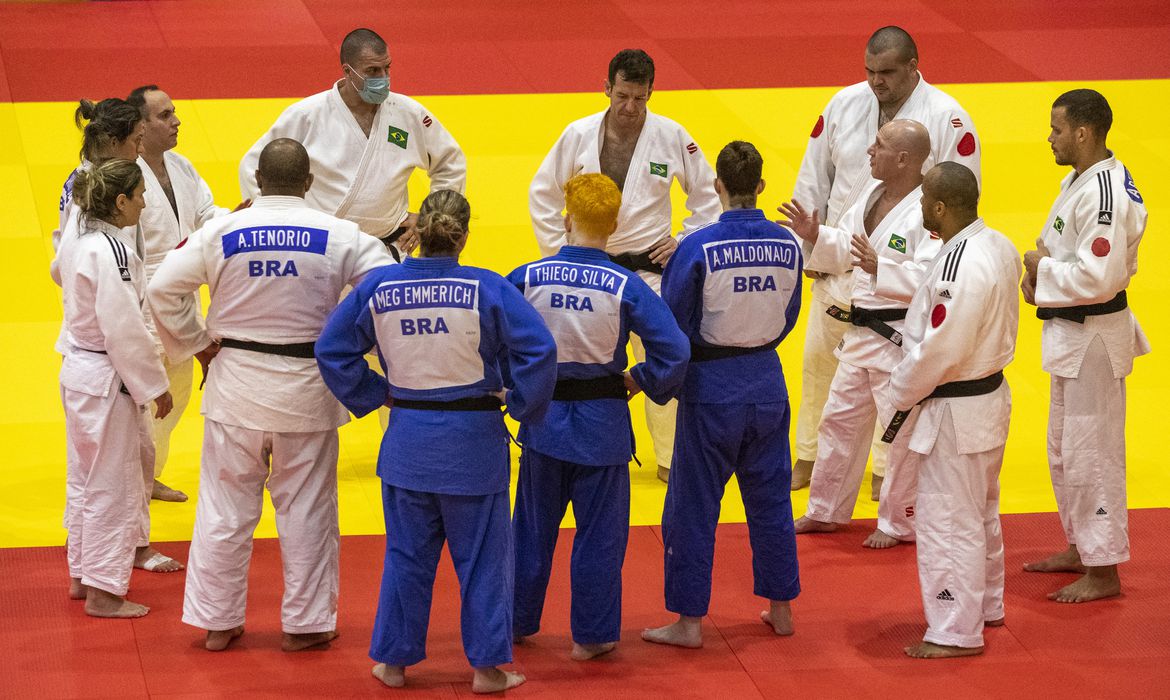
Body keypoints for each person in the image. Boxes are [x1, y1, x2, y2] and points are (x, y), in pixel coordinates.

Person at [147, 139, 393, 652]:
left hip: (236, 381)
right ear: (309, 183)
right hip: (308, 388)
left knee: (224, 508)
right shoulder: (341, 234)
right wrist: (352, 342)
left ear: (258, 181)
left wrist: (196, 343)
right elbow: (387, 291)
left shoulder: (221, 230)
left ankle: (218, 621)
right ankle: (306, 624)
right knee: (307, 510)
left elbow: (163, 288)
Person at [315, 190, 557, 693]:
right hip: (473, 445)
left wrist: (375, 393)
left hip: (407, 441)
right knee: (484, 560)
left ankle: (394, 663)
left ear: (415, 233)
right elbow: (539, 350)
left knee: (407, 556)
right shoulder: (487, 288)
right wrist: (523, 406)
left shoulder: (379, 287)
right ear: (464, 236)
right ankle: (489, 668)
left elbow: (332, 350)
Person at [788, 25, 981, 495]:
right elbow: (815, 176)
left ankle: (882, 469)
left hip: (904, 270)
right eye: (870, 71)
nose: (876, 81)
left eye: (888, 72)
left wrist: (938, 274)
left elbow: (959, 198)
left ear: (914, 66)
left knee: (892, 381)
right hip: (840, 256)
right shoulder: (842, 104)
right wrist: (809, 249)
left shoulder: (948, 118)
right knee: (819, 365)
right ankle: (808, 457)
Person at [507, 174, 689, 660]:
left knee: (530, 531)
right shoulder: (625, 285)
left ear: (566, 221)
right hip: (602, 427)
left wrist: (515, 386)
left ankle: (517, 621)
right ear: (613, 226)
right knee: (599, 539)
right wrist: (639, 380)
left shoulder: (525, 277)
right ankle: (592, 636)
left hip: (543, 424)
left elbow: (489, 335)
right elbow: (674, 351)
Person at [529, 48, 720, 482]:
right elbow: (542, 192)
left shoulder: (672, 135)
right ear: (606, 89)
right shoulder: (577, 134)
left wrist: (685, 240)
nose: (630, 108)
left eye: (640, 98)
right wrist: (561, 251)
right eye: (622, 96)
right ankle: (567, 443)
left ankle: (671, 457)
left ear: (651, 92)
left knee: (660, 353)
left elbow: (706, 196)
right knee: (577, 354)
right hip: (588, 266)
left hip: (648, 267)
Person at [643, 141, 802, 648]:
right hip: (767, 383)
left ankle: (689, 622)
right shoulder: (789, 244)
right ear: (760, 187)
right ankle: (781, 609)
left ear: (717, 186)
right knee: (771, 501)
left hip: (711, 389)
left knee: (693, 508)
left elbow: (674, 326)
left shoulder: (698, 246)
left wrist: (662, 382)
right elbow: (789, 316)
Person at [781, 120, 938, 548]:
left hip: (899, 337)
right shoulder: (870, 191)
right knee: (839, 421)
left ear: (904, 159)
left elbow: (935, 273)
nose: (870, 150)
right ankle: (826, 510)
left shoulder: (931, 206)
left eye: (880, 145)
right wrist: (816, 234)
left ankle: (899, 521)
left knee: (900, 433)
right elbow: (846, 243)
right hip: (860, 330)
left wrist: (879, 268)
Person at [1021, 89, 1149, 603]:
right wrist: (1040, 274)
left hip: (1094, 335)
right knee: (1063, 450)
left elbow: (1099, 276)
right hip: (1071, 333)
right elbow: (1061, 250)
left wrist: (1039, 269)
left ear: (1083, 132)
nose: (1048, 137)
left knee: (1092, 454)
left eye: (1055, 129)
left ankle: (1105, 568)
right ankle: (1080, 544)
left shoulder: (1106, 195)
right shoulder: (1079, 180)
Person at [888, 162, 1019, 658]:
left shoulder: (958, 264)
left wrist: (899, 393)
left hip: (957, 408)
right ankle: (985, 605)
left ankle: (954, 629)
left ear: (940, 208)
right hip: (988, 400)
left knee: (947, 520)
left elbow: (940, 349)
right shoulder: (998, 244)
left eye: (924, 199)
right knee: (981, 512)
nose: (919, 206)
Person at [52, 98, 184, 575]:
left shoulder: (97, 198)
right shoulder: (93, 198)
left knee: (105, 466)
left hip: (90, 348)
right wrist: (151, 382)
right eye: (133, 140)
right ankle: (109, 575)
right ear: (112, 142)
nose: (138, 147)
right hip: (107, 352)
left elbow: (59, 263)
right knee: (117, 471)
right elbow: (119, 322)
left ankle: (95, 562)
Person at [239, 27, 465, 260]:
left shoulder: (409, 114)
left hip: (385, 248)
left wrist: (431, 215)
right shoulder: (307, 114)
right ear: (348, 71)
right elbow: (252, 165)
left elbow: (450, 162)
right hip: (316, 248)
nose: (383, 78)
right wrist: (273, 220)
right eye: (372, 71)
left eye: (387, 68)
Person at [127, 84, 238, 503]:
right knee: (142, 403)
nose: (176, 120)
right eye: (164, 115)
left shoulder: (182, 167)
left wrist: (238, 218)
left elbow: (208, 215)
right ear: (139, 124)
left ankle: (148, 477)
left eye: (174, 112)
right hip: (140, 300)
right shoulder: (123, 174)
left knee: (175, 399)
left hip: (181, 299)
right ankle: (128, 488)